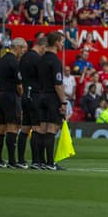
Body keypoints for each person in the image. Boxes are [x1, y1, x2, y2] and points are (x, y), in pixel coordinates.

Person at [35, 33, 67, 170]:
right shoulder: (55, 61)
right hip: (52, 97)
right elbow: (58, 84)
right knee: (51, 129)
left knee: (41, 129)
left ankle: (40, 161)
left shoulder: (40, 59)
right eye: (62, 42)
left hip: (40, 96)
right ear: (56, 43)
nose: (62, 45)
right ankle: (50, 163)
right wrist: (64, 102)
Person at [0, 37, 27, 168]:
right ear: (17, 47)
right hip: (11, 95)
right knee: (13, 127)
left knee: (1, 128)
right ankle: (12, 161)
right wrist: (22, 96)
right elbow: (19, 85)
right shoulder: (14, 62)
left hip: (1, 94)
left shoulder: (2, 60)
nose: (23, 52)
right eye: (23, 49)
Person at [19, 34, 45, 167]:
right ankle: (36, 161)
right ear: (42, 46)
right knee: (37, 128)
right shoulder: (38, 59)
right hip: (35, 95)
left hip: (25, 94)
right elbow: (42, 79)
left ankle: (20, 160)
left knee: (24, 129)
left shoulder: (24, 57)